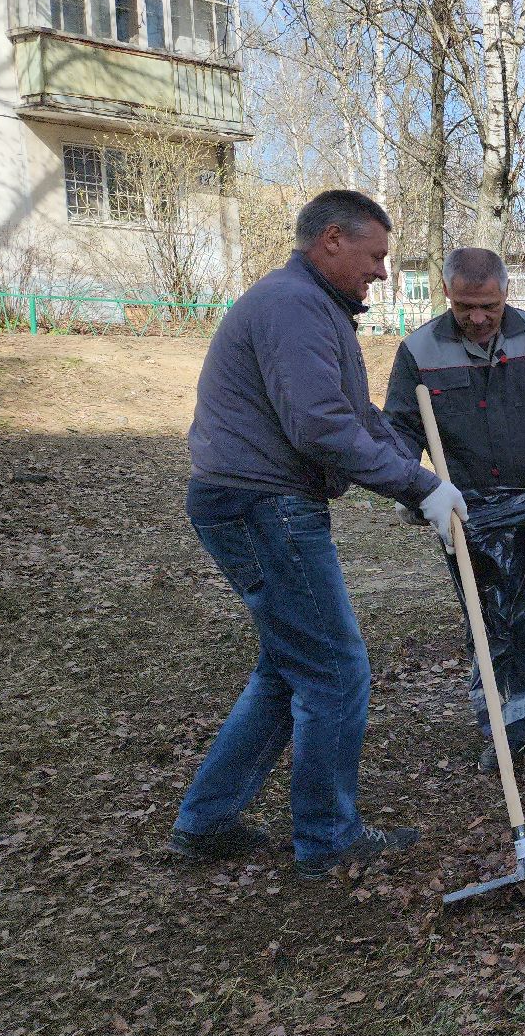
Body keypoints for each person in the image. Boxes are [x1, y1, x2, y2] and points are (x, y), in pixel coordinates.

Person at [171, 190, 461, 880]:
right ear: (333, 239)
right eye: (376, 255)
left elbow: (348, 413)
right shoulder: (294, 306)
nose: (383, 272)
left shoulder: (306, 305)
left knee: (286, 670)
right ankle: (328, 841)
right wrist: (419, 488)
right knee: (334, 670)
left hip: (254, 502)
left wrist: (408, 469)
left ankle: (206, 820)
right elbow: (320, 428)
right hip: (263, 507)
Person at [384, 248, 525, 773]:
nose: (479, 318)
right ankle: (507, 726)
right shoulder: (419, 351)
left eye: (489, 305)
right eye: (466, 306)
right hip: (472, 513)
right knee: (491, 624)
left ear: (506, 294)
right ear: (447, 294)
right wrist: (418, 491)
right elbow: (397, 430)